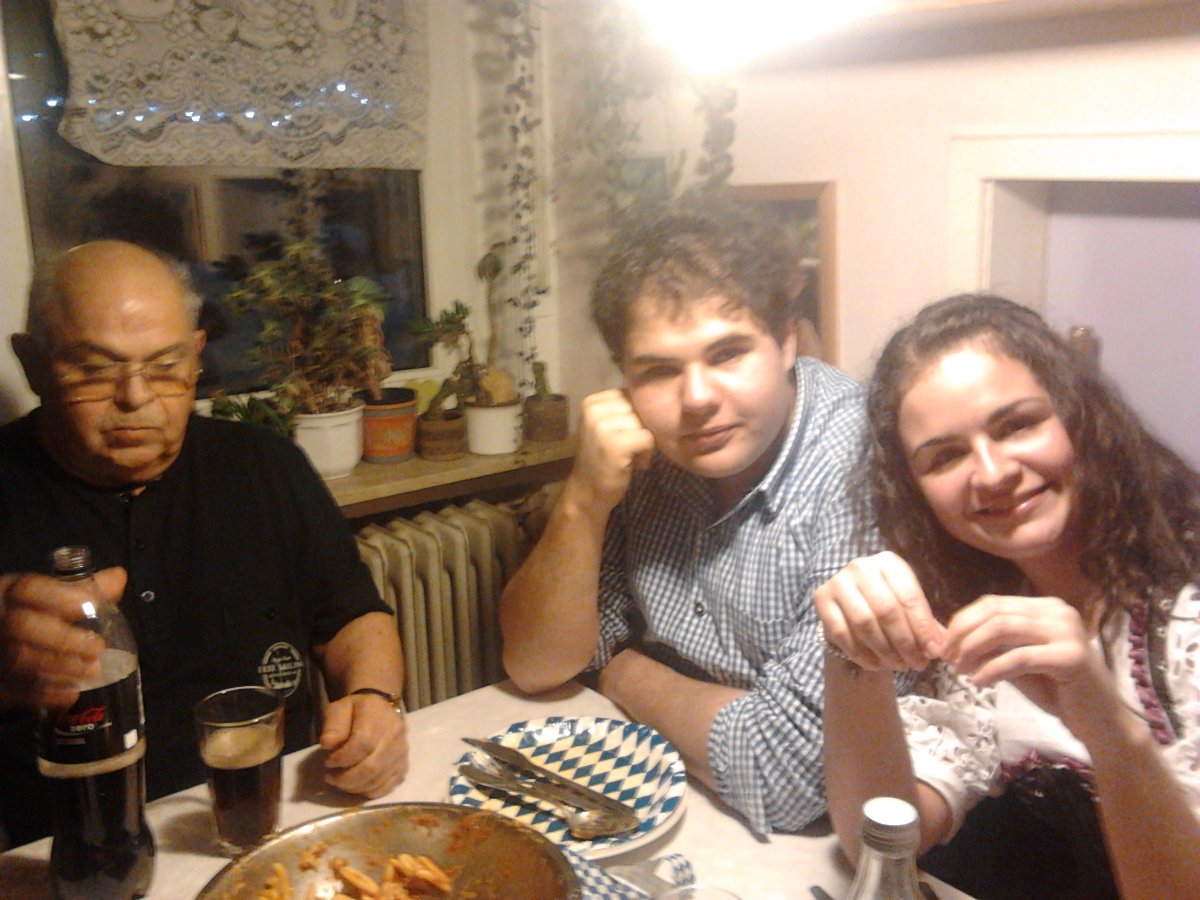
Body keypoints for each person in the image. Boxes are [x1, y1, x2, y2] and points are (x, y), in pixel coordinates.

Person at [0, 240, 408, 848]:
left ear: (195, 356)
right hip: (73, 853)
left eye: (165, 365)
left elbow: (353, 616)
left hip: (281, 826)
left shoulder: (266, 466)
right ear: (33, 365)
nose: (136, 396)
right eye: (95, 368)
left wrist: (376, 700)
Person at [499, 196, 871, 834]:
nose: (696, 399)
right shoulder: (642, 450)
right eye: (658, 371)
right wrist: (584, 500)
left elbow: (791, 778)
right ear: (624, 377)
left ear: (786, 340)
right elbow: (537, 666)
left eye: (727, 354)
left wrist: (622, 670)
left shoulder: (858, 463)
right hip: (672, 794)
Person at [814, 294, 1200, 899]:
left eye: (1017, 425)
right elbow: (878, 843)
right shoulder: (978, 606)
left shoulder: (1183, 624)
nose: (992, 474)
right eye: (945, 456)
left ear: (1080, 417)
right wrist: (851, 656)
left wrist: (1109, 728)